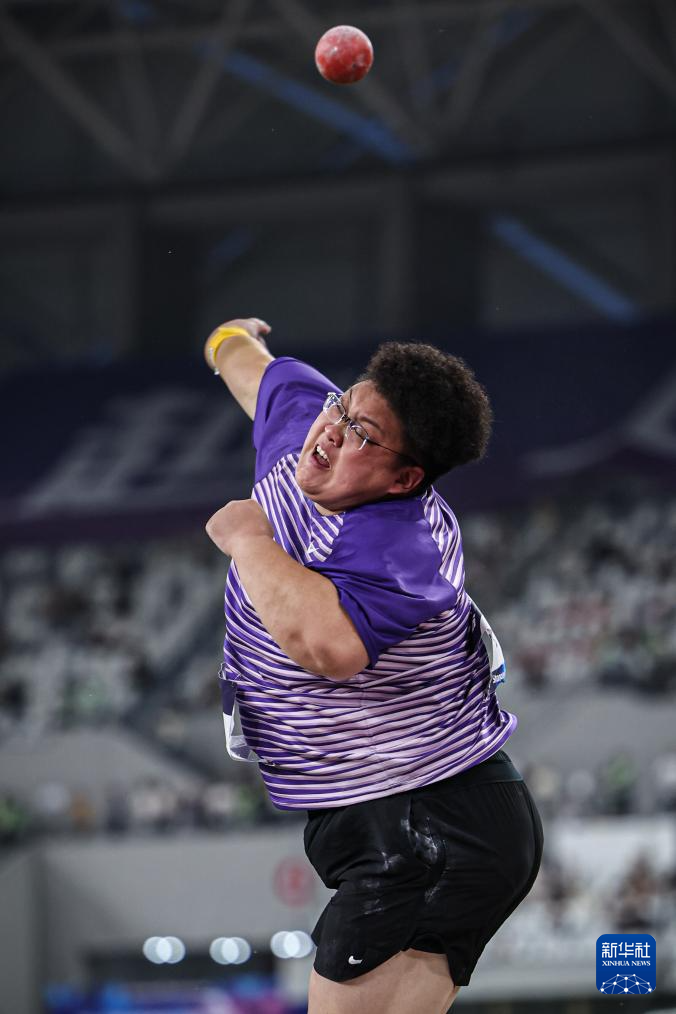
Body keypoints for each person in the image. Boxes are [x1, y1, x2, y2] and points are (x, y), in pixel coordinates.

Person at [204, 317, 543, 1014]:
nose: (331, 430)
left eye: (361, 433)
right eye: (342, 406)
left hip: (433, 823)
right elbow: (258, 376)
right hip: (390, 818)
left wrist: (248, 541)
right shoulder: (315, 433)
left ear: (404, 477)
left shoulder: (404, 546)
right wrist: (226, 339)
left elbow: (326, 646)